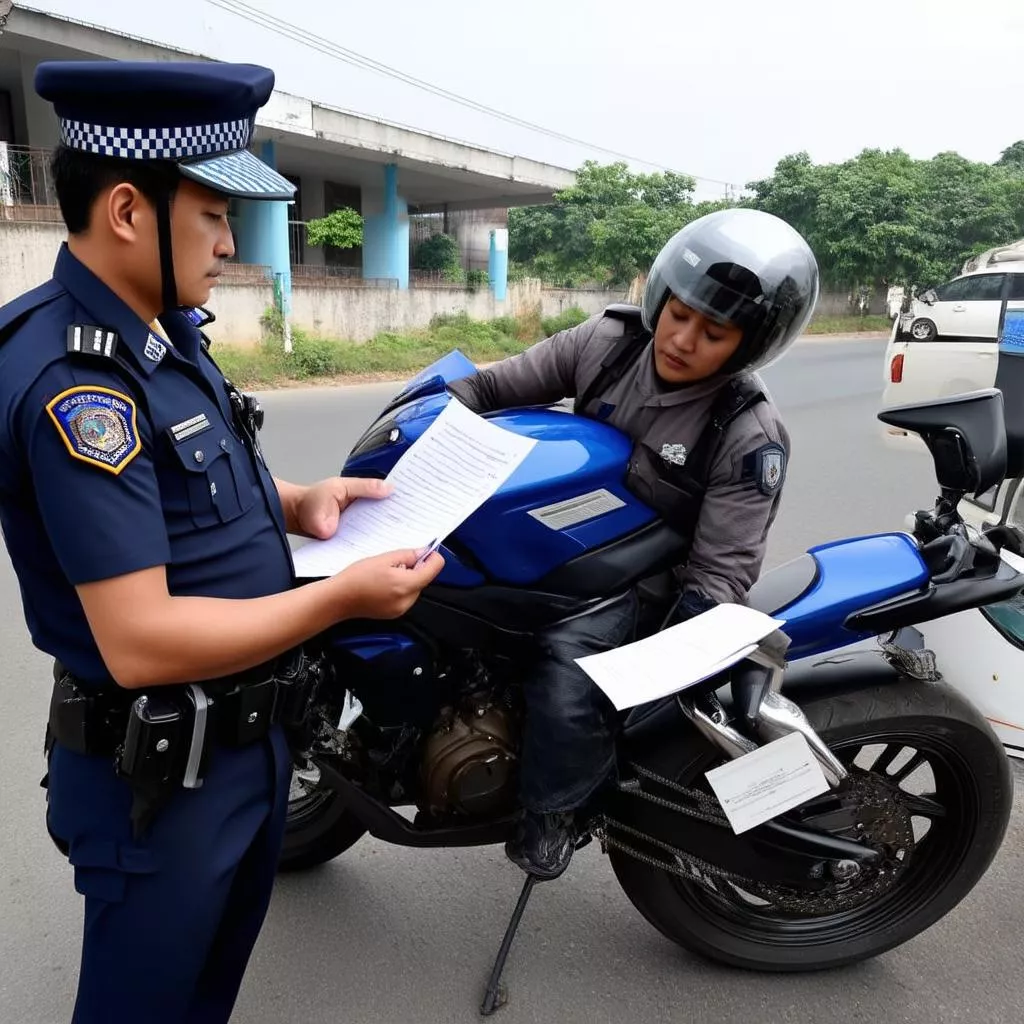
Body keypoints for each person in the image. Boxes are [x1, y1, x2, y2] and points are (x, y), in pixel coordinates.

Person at [0, 60, 443, 1024]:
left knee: (204, 1001)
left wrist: (298, 503)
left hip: (248, 751)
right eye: (212, 214)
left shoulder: (160, 329)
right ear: (128, 210)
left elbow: (194, 480)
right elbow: (140, 638)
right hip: (163, 784)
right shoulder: (80, 385)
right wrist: (342, 596)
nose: (230, 240)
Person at [447, 208, 819, 880]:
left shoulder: (747, 431)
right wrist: (426, 419)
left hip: (646, 580)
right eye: (679, 314)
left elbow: (719, 573)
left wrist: (657, 664)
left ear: (747, 345)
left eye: (713, 332)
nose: (682, 339)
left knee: (568, 669)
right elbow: (491, 386)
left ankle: (554, 812)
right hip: (561, 543)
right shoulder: (608, 343)